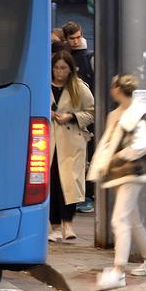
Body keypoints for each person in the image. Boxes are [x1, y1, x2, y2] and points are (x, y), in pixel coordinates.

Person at [88, 74, 146, 288]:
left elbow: (144, 144)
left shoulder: (133, 114)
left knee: (119, 220)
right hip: (124, 173)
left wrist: (121, 156)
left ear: (117, 89)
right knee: (132, 219)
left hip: (131, 173)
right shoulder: (119, 114)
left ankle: (119, 271)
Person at [49, 50, 94, 243]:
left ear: (70, 69)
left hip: (71, 141)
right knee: (50, 183)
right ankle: (55, 226)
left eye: (63, 68)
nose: (59, 72)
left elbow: (92, 111)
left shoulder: (79, 88)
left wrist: (72, 116)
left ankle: (68, 225)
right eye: (56, 68)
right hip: (48, 142)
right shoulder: (42, 85)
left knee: (69, 183)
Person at [60, 21, 95, 91]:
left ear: (82, 36)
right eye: (72, 38)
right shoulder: (61, 56)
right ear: (65, 38)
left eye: (78, 37)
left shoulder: (90, 57)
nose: (76, 41)